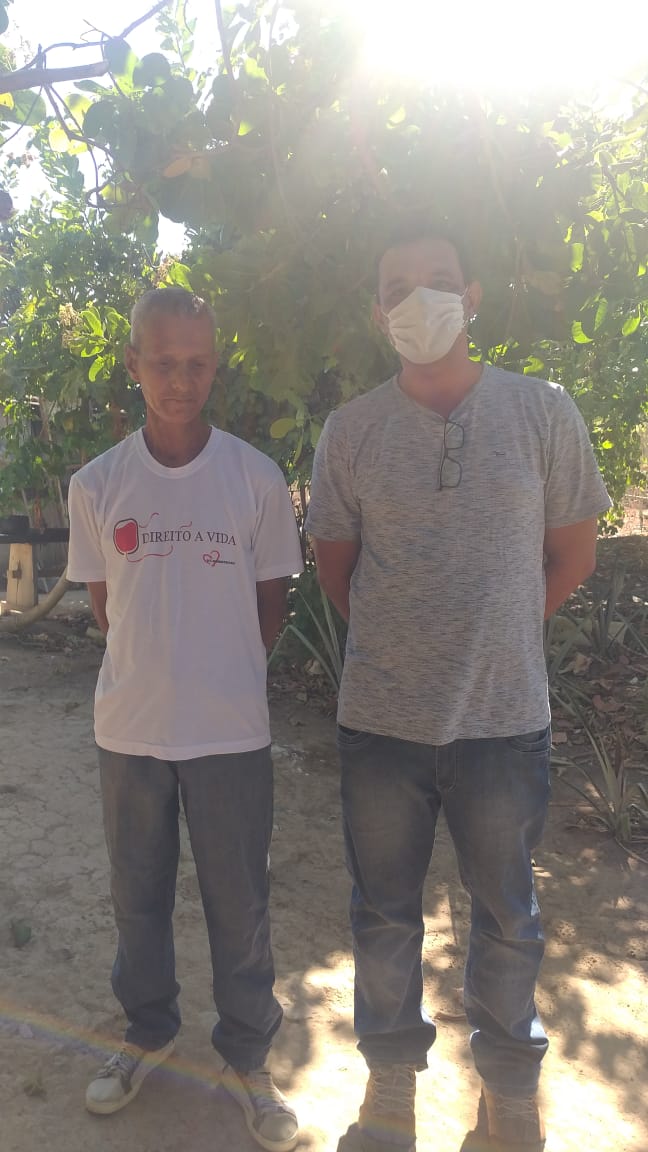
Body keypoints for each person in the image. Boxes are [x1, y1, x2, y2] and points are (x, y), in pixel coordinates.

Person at [306, 225, 611, 1152]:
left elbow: (574, 553)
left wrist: (497, 637)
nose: (420, 298)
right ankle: (391, 1089)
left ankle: (508, 1092)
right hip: (382, 726)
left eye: (439, 280)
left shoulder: (542, 411)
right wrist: (410, 649)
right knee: (383, 917)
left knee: (509, 919)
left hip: (503, 722)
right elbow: (337, 571)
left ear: (472, 296)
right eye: (398, 286)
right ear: (377, 312)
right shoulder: (352, 431)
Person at [67, 287, 303, 1152]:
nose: (180, 379)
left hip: (230, 734)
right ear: (134, 362)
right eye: (163, 362)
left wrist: (217, 677)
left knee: (241, 906)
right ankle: (148, 1032)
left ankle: (247, 1056)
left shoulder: (255, 478)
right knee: (138, 898)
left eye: (197, 363)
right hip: (130, 733)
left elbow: (268, 605)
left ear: (216, 365)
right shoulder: (98, 484)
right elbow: (108, 609)